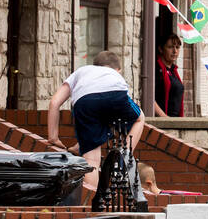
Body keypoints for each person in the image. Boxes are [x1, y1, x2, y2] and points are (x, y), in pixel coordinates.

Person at [47, 50, 145, 192]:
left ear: (95, 65)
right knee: (139, 118)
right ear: (118, 70)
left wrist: (53, 137)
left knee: (92, 161)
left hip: (84, 101)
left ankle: (93, 202)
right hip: (115, 94)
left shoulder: (82, 71)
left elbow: (54, 103)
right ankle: (124, 157)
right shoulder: (115, 76)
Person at [154, 33, 185, 117]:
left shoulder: (174, 71)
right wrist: (165, 118)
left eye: (177, 47)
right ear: (161, 49)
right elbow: (150, 98)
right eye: (170, 47)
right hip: (163, 121)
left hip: (175, 121)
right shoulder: (156, 69)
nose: (175, 51)